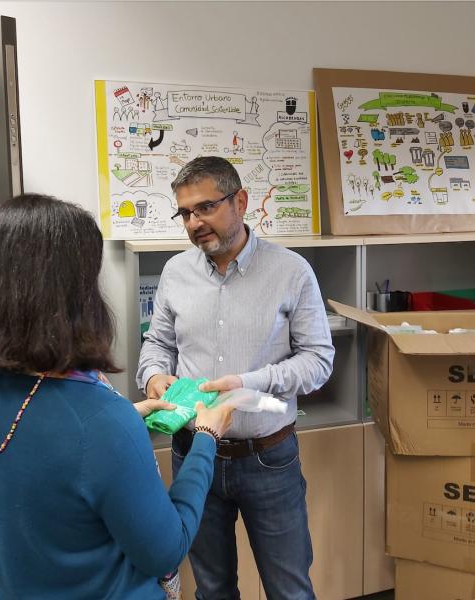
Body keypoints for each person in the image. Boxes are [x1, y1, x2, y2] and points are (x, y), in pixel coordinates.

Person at [0, 193, 234, 600]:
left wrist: (121, 418)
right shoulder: (100, 420)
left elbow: (47, 459)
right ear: (70, 296)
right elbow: (166, 550)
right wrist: (205, 439)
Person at [137, 156, 335, 599]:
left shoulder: (291, 271)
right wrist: (152, 375)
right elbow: (157, 344)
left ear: (240, 201)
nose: (194, 223)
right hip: (193, 455)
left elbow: (319, 361)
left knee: (289, 588)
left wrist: (251, 382)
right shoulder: (175, 272)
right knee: (212, 589)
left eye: (205, 207)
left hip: (267, 456)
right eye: (185, 212)